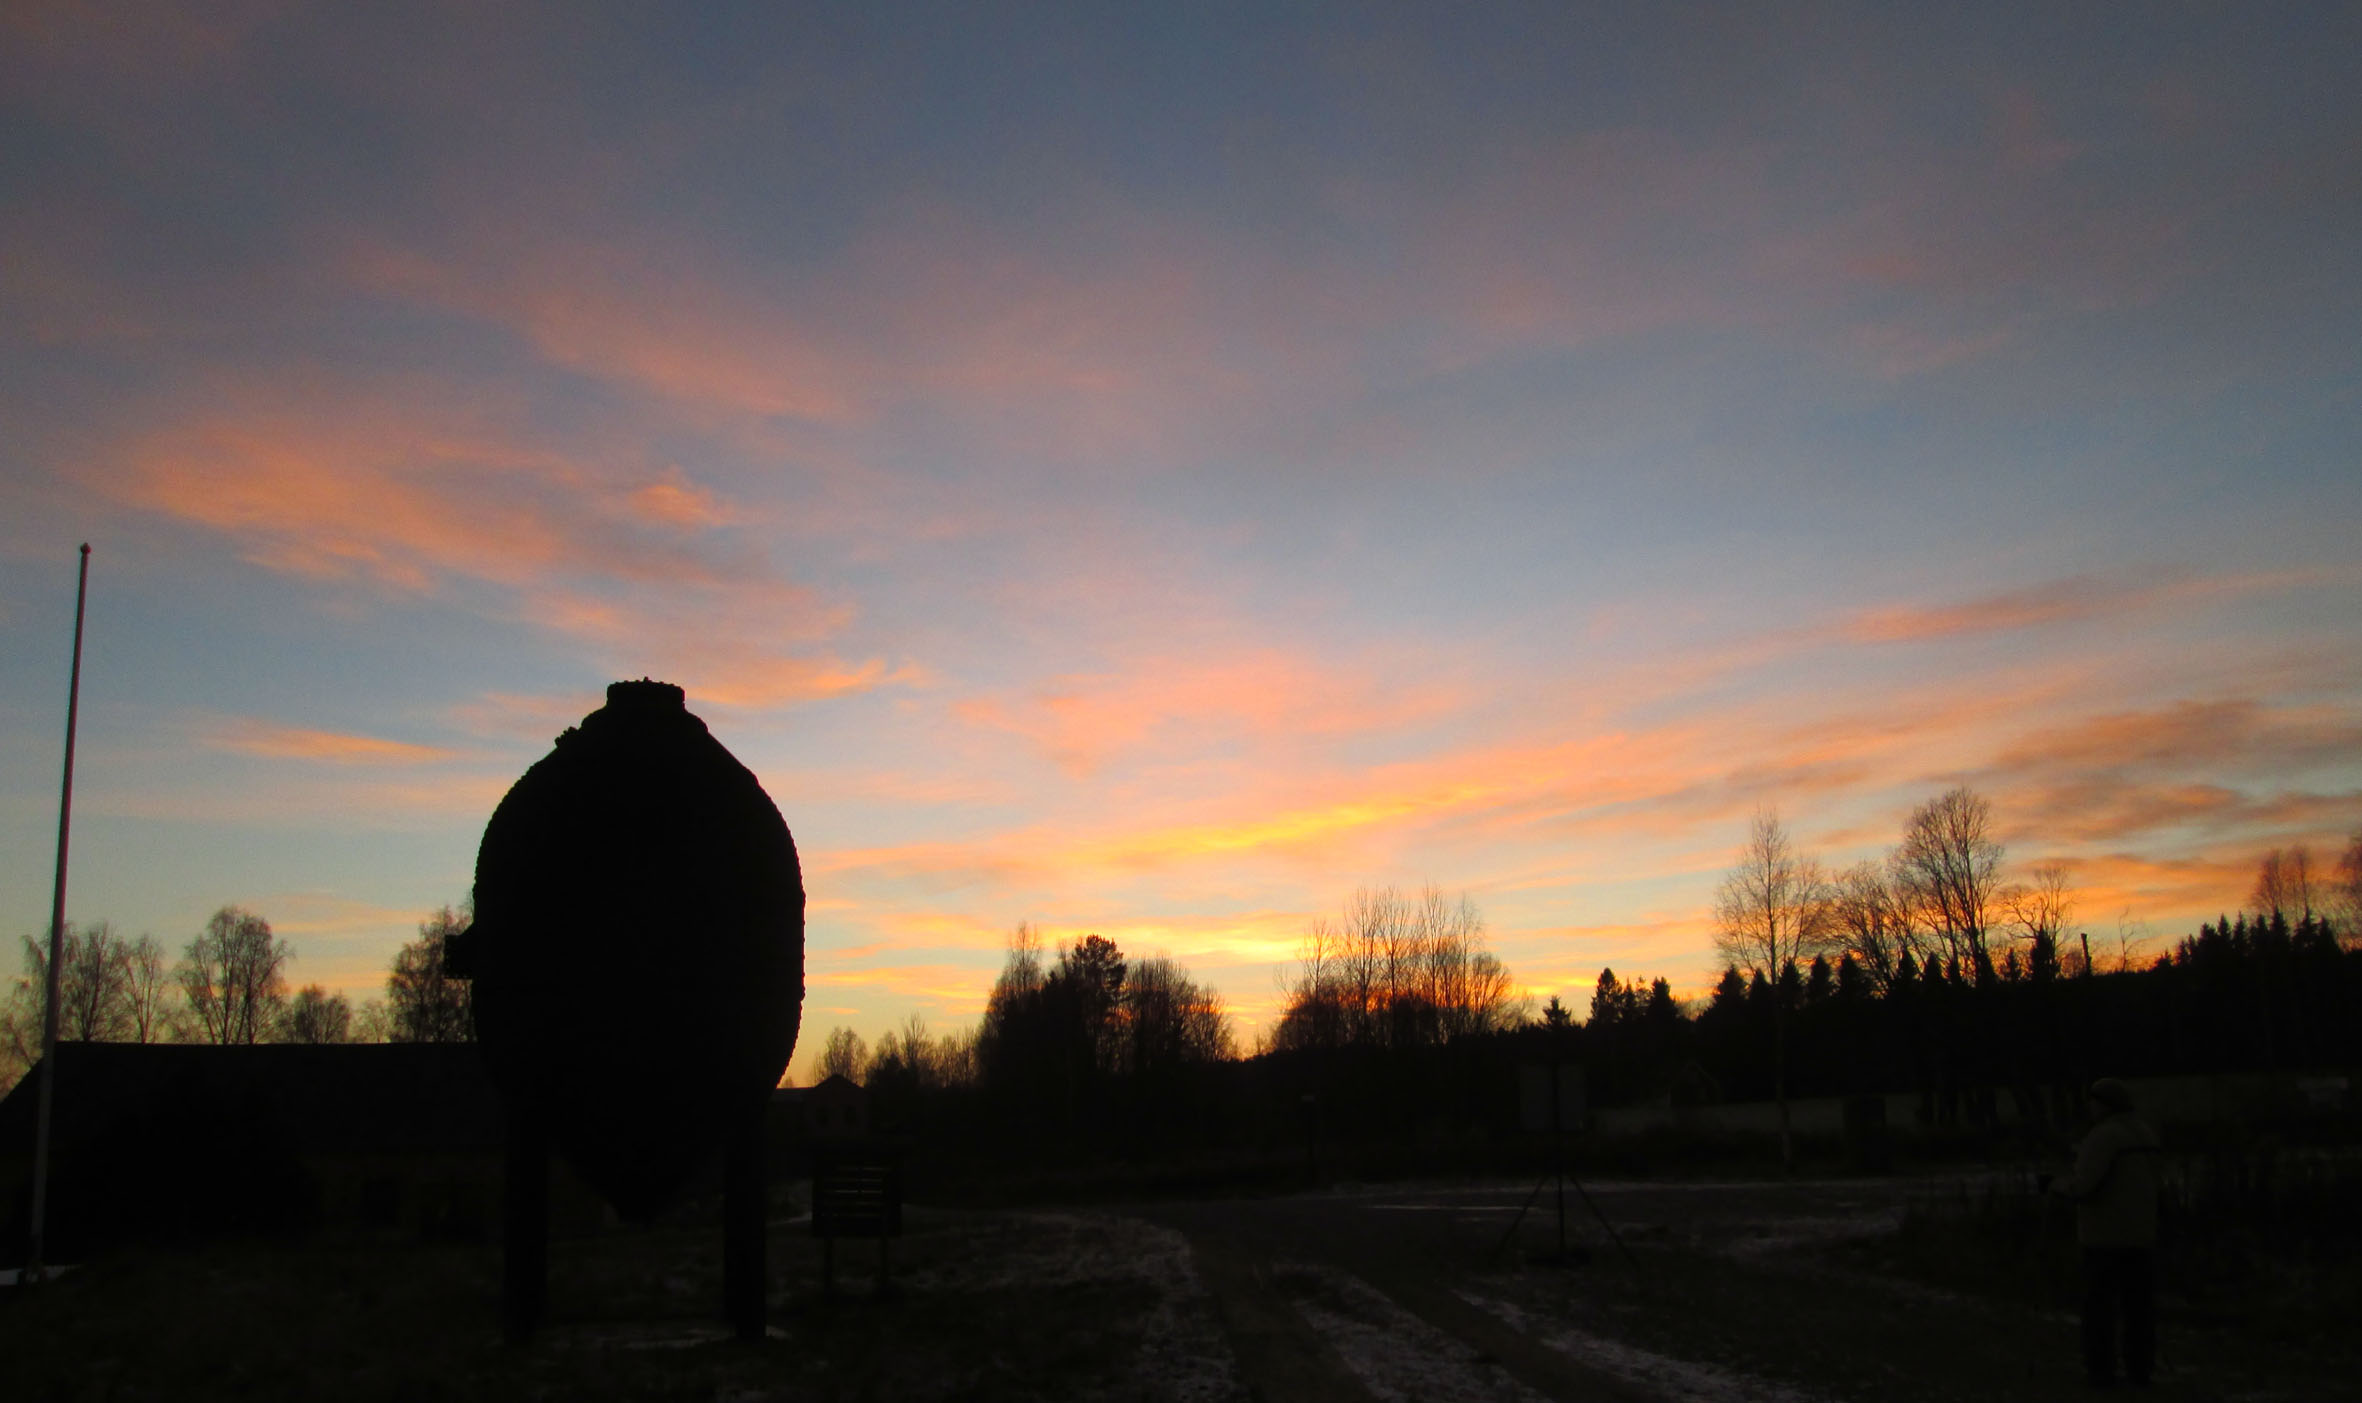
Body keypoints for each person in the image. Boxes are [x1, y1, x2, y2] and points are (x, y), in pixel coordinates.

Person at [2048, 1077, 2162, 1388]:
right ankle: (2140, 1369)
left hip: (2104, 1236)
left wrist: (2055, 1186)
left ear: (2102, 1104)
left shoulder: (2103, 1136)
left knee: (2099, 1309)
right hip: (2141, 1234)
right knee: (2138, 1308)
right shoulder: (2145, 1133)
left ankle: (2101, 1371)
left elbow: (2084, 1186)